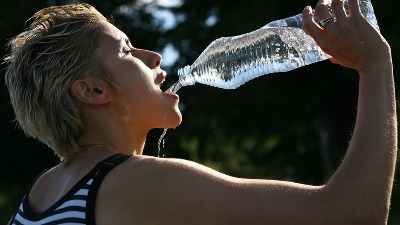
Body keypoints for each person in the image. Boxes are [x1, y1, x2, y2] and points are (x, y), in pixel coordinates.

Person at [4, 0, 396, 224]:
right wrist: (375, 64)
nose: (154, 56)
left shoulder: (40, 195)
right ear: (92, 90)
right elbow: (351, 215)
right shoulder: (134, 184)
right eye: (126, 50)